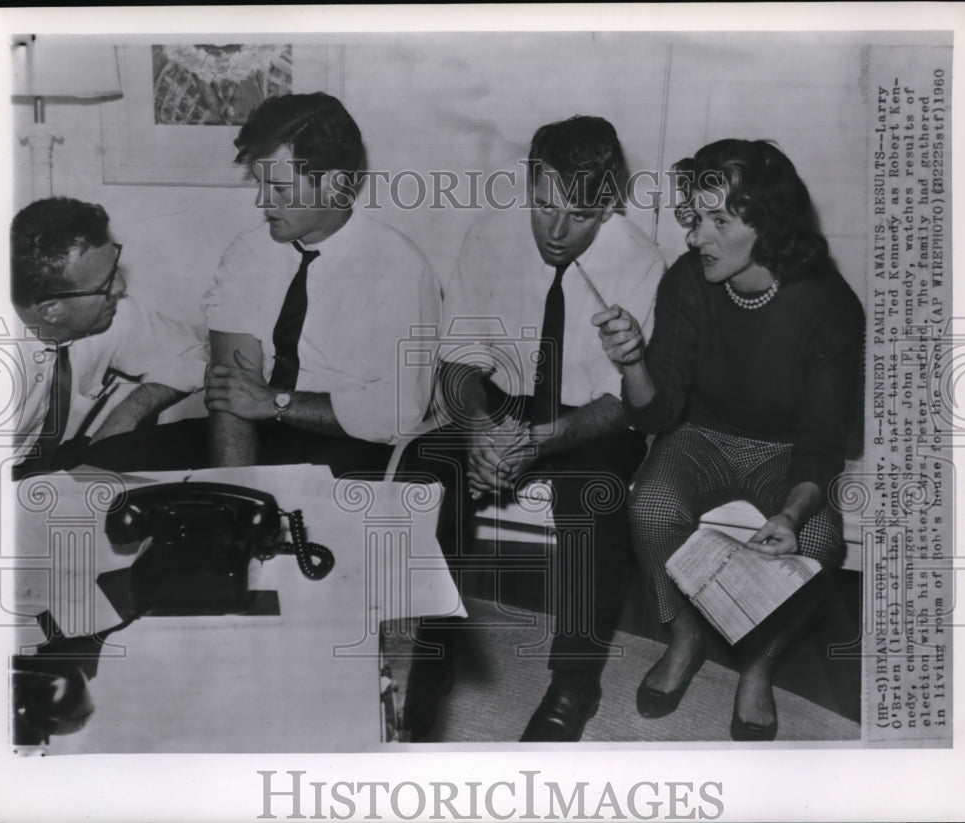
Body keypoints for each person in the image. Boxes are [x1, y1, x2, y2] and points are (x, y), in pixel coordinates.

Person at [401, 115, 666, 742]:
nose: (553, 229)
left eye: (577, 215)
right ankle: (434, 652)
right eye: (543, 205)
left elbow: (625, 402)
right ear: (529, 183)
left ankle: (575, 681)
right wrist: (479, 430)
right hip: (505, 402)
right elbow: (459, 360)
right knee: (430, 471)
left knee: (596, 500)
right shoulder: (487, 238)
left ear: (607, 203)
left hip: (589, 419)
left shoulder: (641, 259)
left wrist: (543, 441)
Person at [594, 138, 865, 740]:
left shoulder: (830, 306)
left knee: (818, 542)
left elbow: (822, 442)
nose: (696, 237)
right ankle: (686, 638)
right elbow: (655, 413)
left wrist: (792, 515)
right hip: (700, 435)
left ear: (767, 226)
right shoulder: (688, 281)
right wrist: (633, 361)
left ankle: (756, 667)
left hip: (787, 451)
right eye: (697, 217)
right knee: (650, 504)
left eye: (720, 220)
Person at [202, 93, 440, 473]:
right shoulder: (247, 253)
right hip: (252, 438)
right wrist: (236, 493)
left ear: (335, 184)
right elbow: (232, 393)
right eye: (261, 184)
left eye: (280, 188)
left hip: (349, 447)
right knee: (116, 462)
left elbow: (399, 413)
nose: (263, 202)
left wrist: (275, 402)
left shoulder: (400, 268)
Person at [7, 197, 207, 479]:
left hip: (62, 463)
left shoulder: (111, 314)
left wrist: (130, 411)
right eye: (105, 285)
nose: (121, 288)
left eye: (115, 270)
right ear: (52, 310)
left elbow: (192, 351)